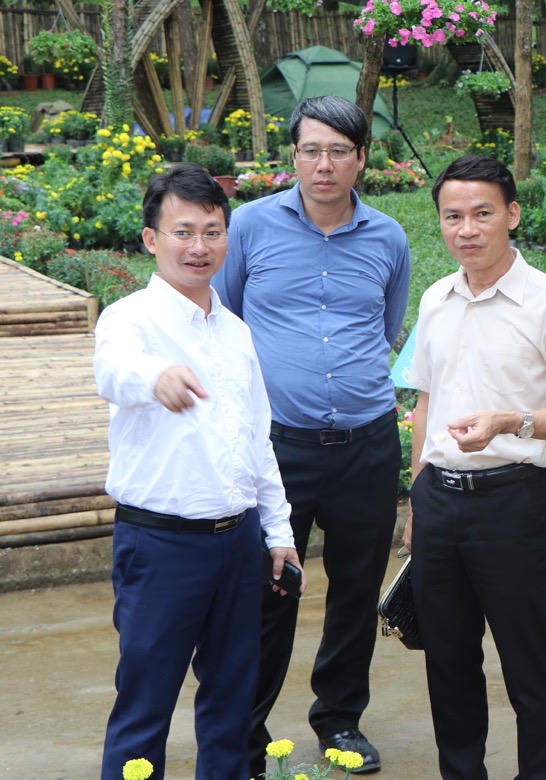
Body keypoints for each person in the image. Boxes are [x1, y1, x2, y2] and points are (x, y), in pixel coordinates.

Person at [213, 95, 412, 776]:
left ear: (361, 158)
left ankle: (340, 721)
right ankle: (246, 734)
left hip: (368, 444)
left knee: (356, 591)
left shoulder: (388, 237)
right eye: (311, 150)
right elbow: (225, 323)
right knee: (268, 590)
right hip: (277, 450)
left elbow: (387, 328)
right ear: (292, 156)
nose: (324, 164)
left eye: (339, 151)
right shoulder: (250, 226)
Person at [95, 163, 304, 779]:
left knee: (232, 705)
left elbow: (258, 440)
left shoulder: (235, 332)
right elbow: (113, 370)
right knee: (144, 705)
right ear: (151, 239)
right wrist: (153, 376)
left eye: (212, 232)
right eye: (183, 231)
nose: (198, 246)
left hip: (237, 543)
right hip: (159, 544)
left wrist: (278, 532)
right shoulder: (129, 320)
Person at [404, 154, 546, 779]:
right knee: (447, 660)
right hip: (439, 501)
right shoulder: (435, 299)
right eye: (453, 216)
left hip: (511, 503)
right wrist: (416, 499)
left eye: (482, 214)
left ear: (512, 215)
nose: (467, 229)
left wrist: (511, 421)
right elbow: (425, 404)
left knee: (526, 660)